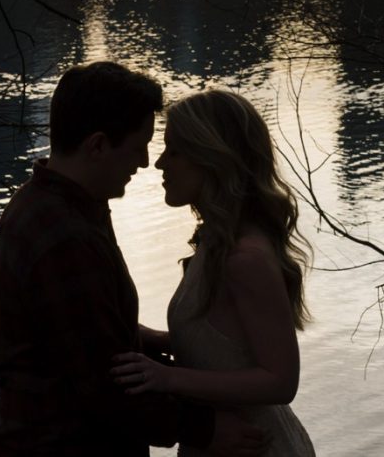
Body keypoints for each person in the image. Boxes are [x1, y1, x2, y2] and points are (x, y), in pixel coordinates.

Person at [0, 62, 267, 457]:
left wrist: (144, 340)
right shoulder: (65, 237)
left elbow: (72, 333)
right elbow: (103, 389)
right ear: (98, 146)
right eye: (139, 146)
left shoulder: (54, 205)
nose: (147, 162)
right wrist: (206, 429)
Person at [110, 89, 315, 457]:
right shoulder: (217, 243)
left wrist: (168, 377)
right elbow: (231, 348)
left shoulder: (245, 257)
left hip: (257, 446)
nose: (159, 163)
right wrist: (155, 339)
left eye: (174, 150)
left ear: (212, 156)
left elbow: (281, 381)